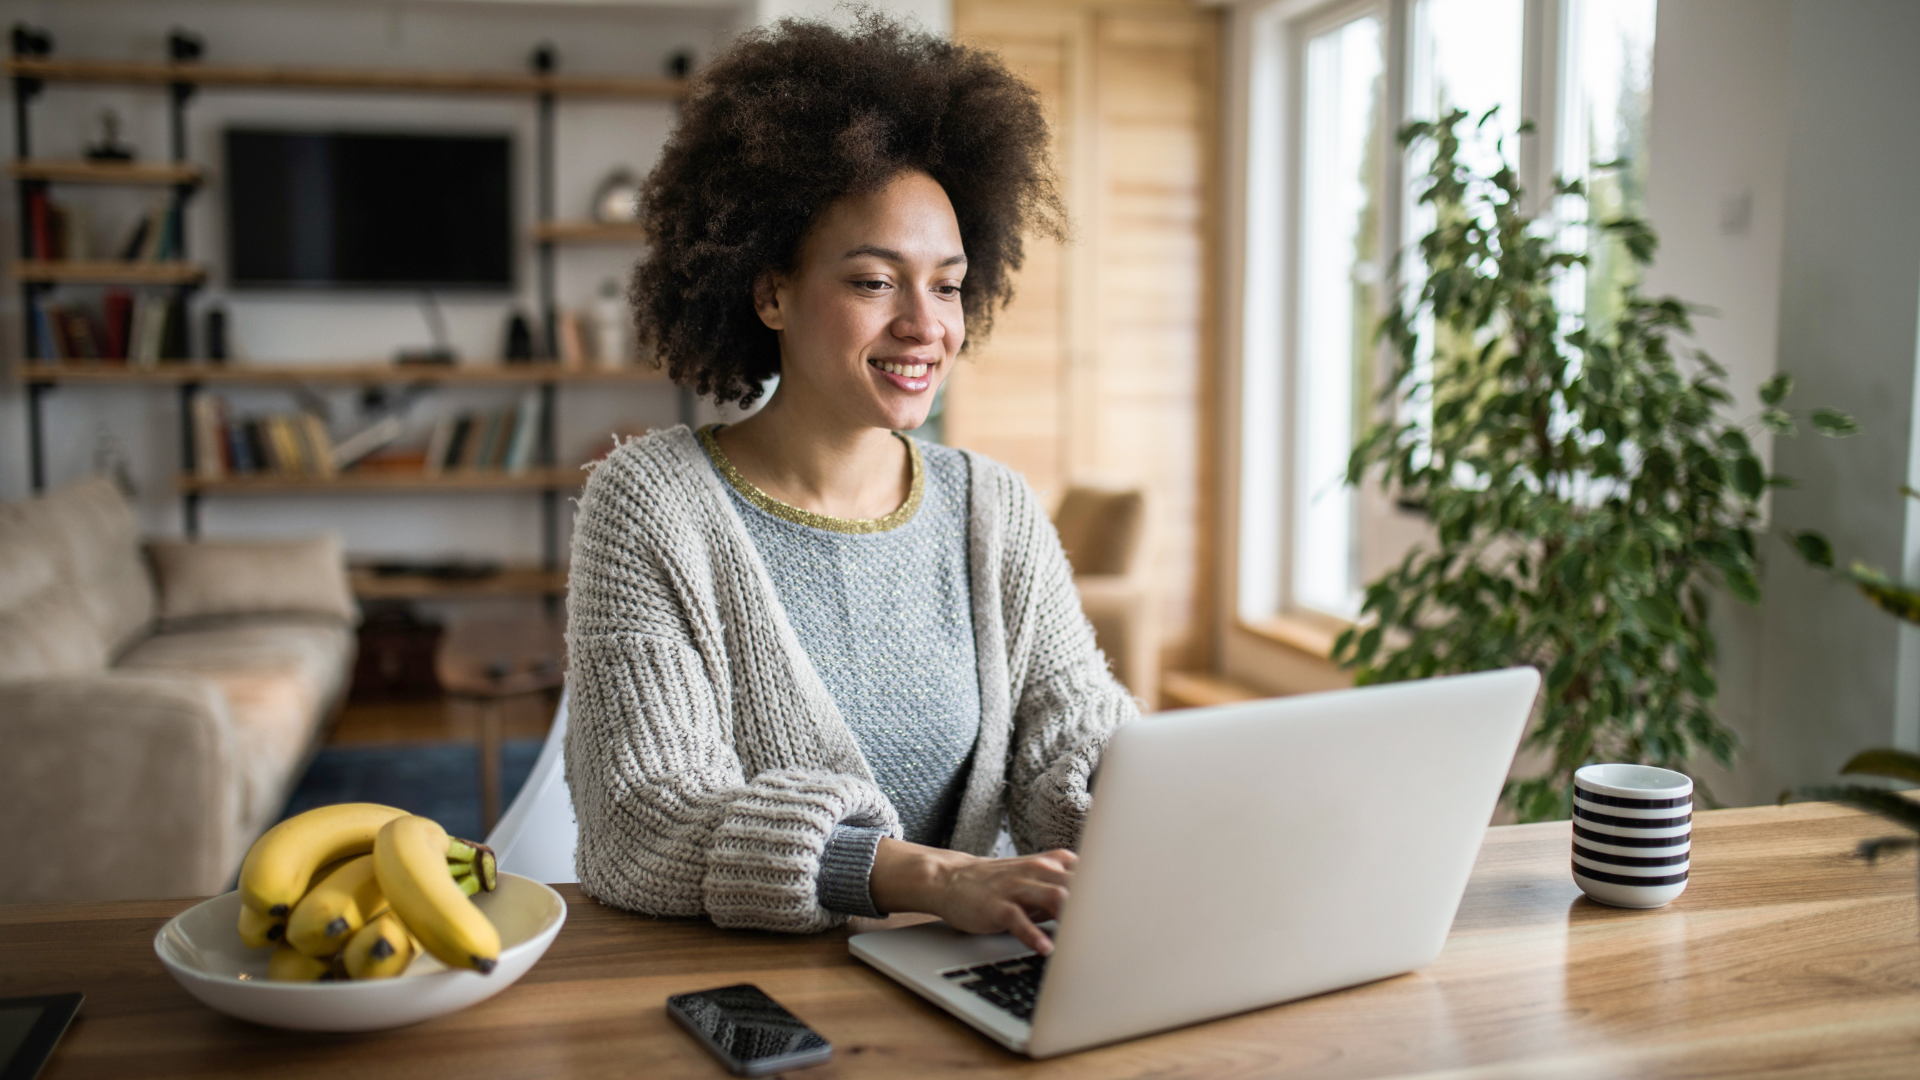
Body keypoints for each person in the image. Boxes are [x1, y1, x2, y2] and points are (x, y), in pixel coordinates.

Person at [564, 14, 1138, 957]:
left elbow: (1069, 737)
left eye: (948, 286)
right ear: (771, 293)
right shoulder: (650, 504)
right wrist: (928, 878)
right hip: (757, 997)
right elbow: (644, 819)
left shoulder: (994, 507)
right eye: (876, 282)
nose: (925, 326)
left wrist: (1139, 799)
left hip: (975, 976)